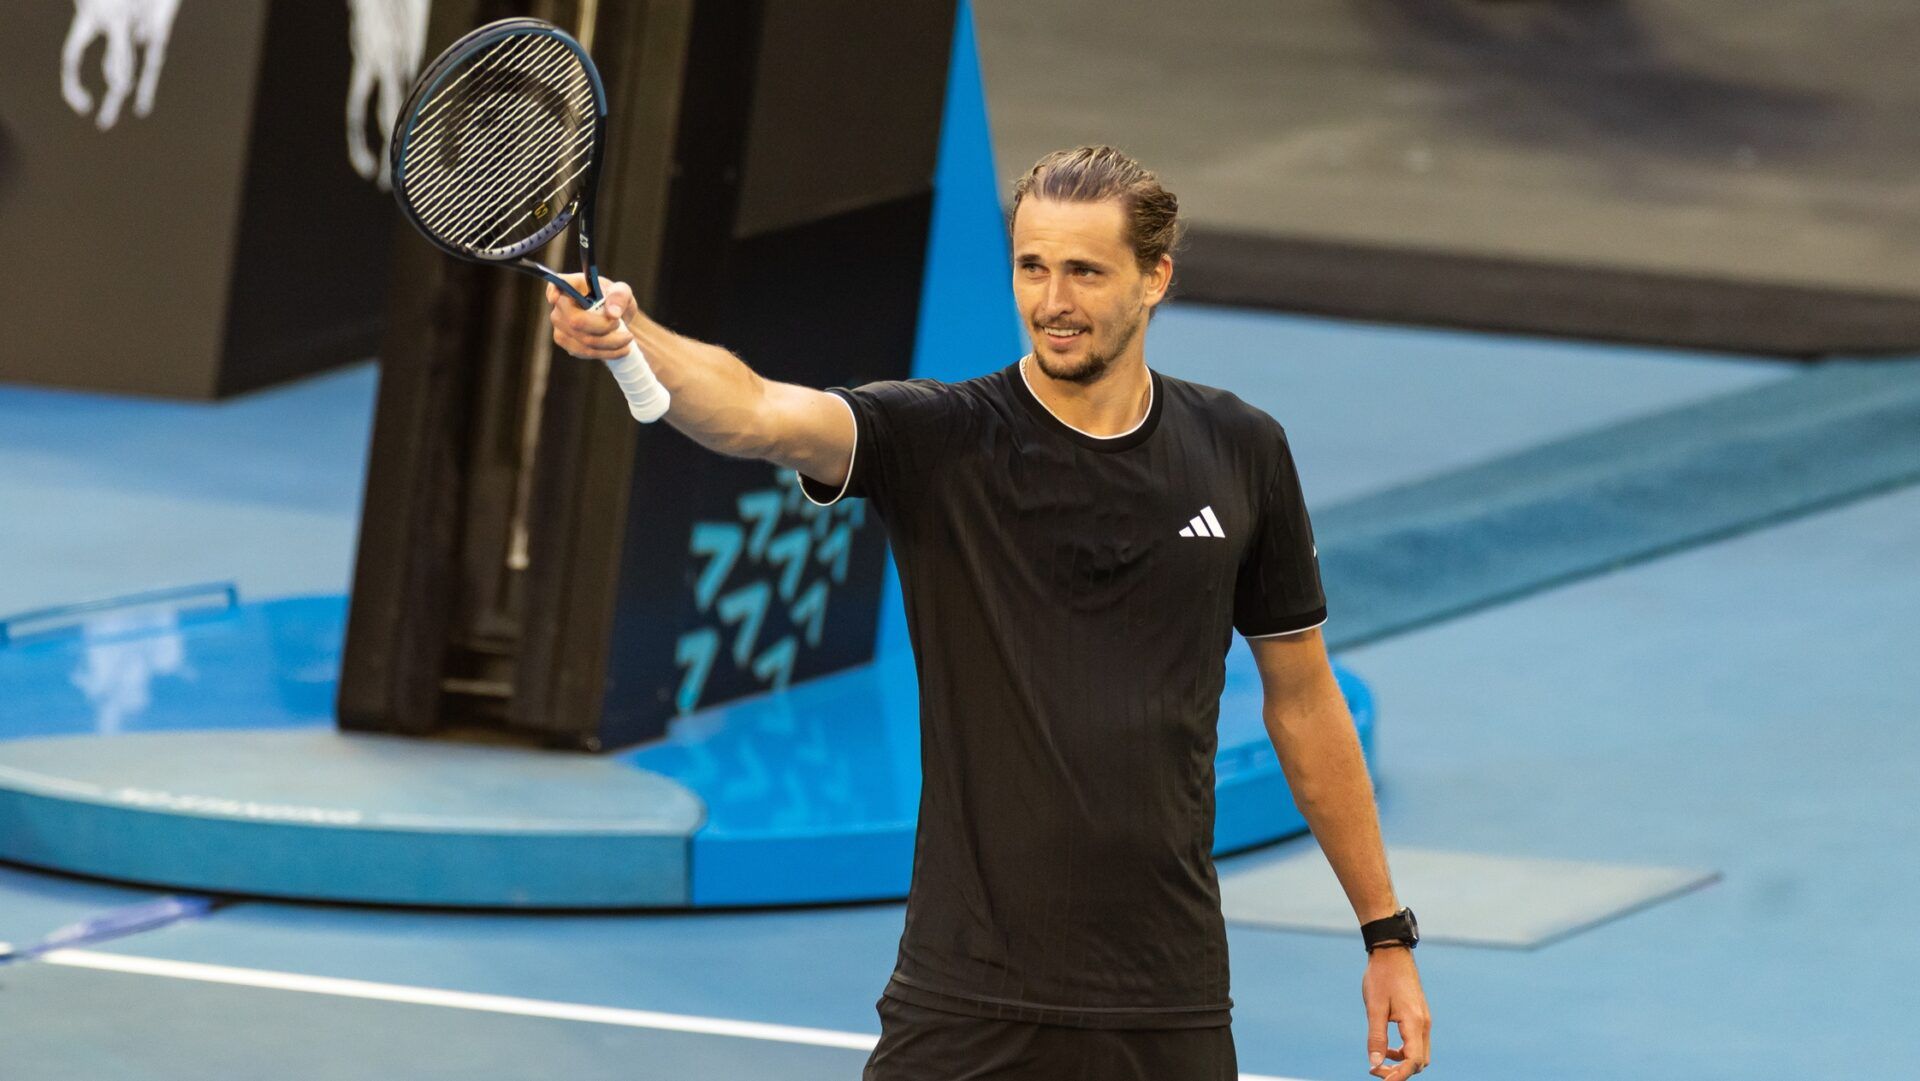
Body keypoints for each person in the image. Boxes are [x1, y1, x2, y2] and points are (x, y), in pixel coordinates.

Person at [548, 145, 1432, 1081]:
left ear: (1156, 278)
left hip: (1164, 995)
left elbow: (1301, 698)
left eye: (1086, 271)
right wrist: (639, 336)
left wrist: (1386, 933)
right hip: (968, 995)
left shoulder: (1242, 451)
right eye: (1032, 266)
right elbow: (761, 413)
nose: (1053, 299)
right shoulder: (940, 440)